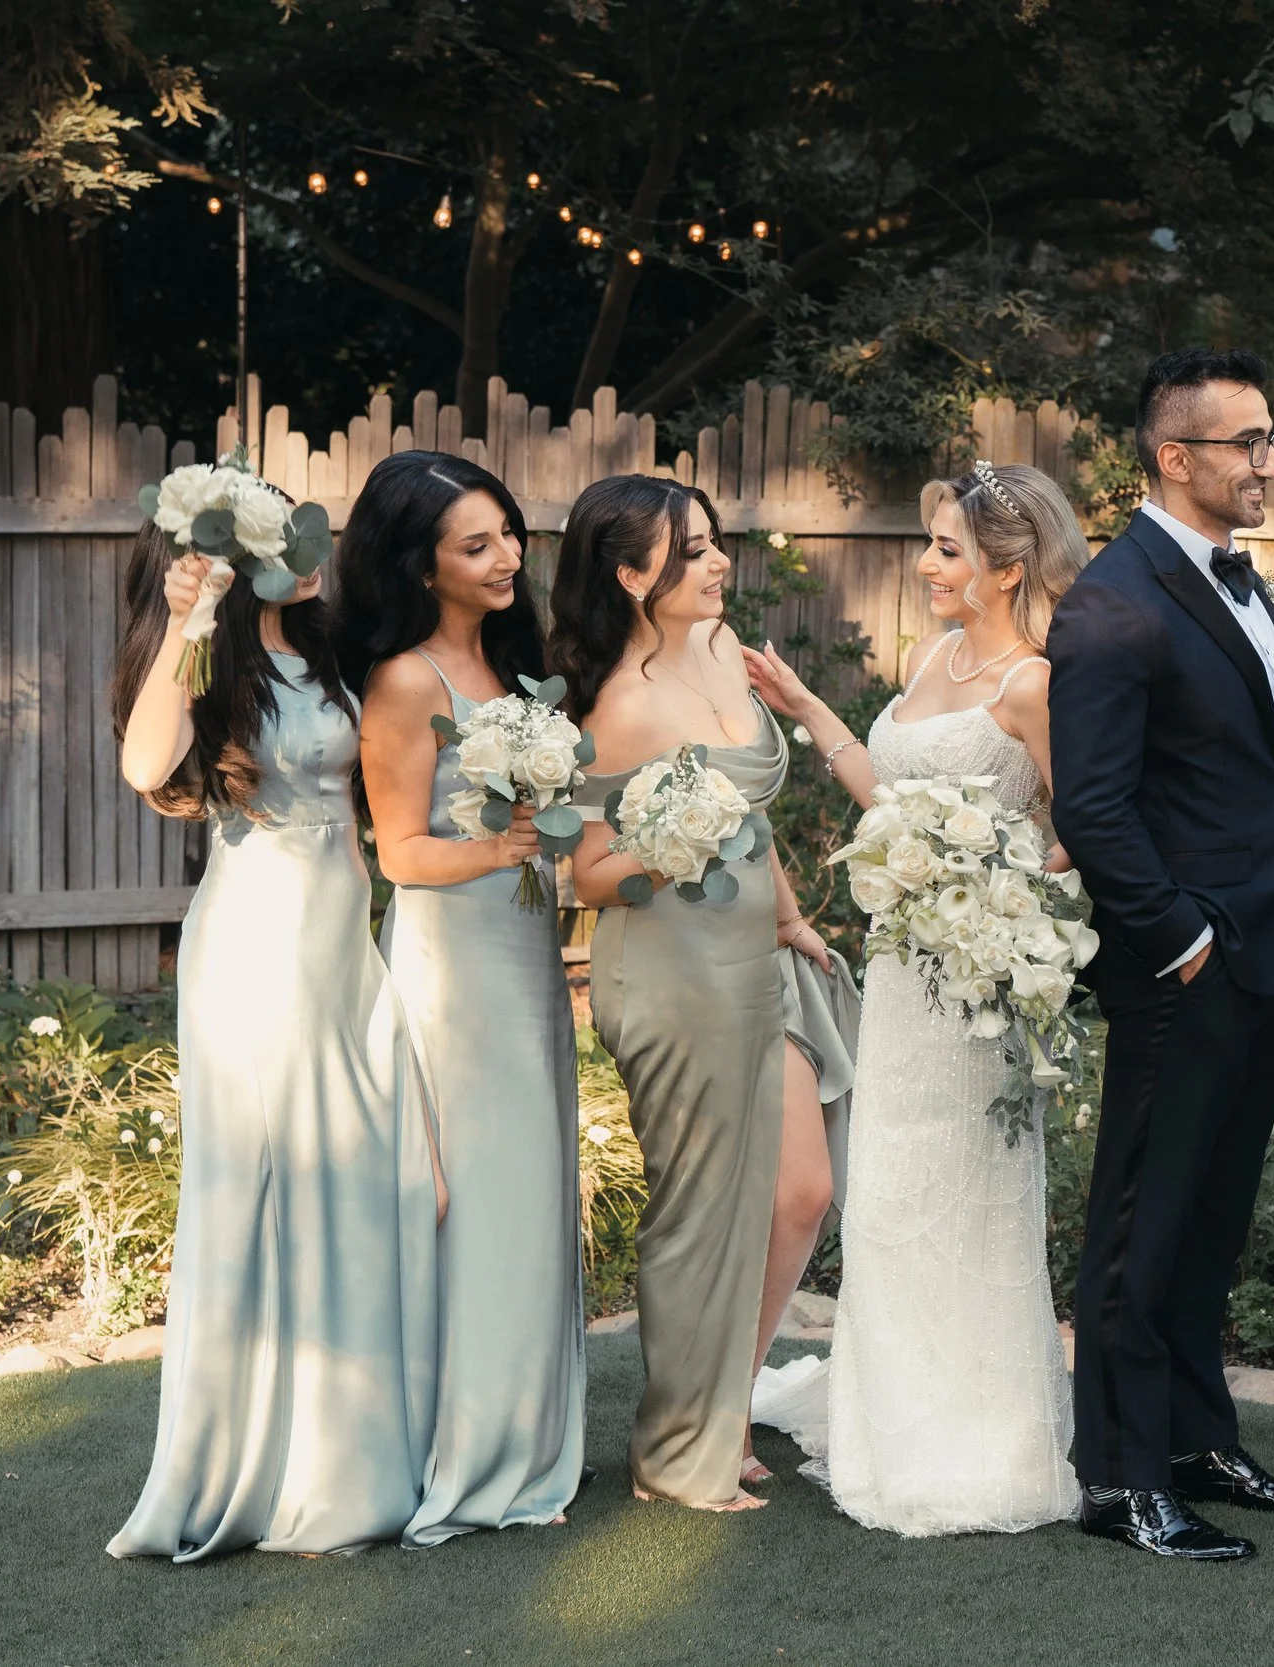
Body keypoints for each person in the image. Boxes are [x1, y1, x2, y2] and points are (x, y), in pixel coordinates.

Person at [1045, 349, 1274, 1564]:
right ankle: (1120, 1479)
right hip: (1187, 963)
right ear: (1175, 458)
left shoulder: (1237, 584)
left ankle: (1194, 1440)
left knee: (1210, 1217)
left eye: (1271, 437)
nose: (1268, 460)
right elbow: (1096, 805)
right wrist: (1179, 940)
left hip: (1267, 951)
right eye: (1247, 442)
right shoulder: (1114, 601)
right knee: (1141, 1219)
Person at [744, 459, 1088, 1536]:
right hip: (903, 971)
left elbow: (1076, 840)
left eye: (947, 547)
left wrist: (1006, 908)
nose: (927, 563)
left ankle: (975, 1439)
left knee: (969, 1199)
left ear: (1008, 563)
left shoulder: (1031, 682)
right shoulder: (934, 654)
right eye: (931, 542)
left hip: (980, 986)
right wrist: (804, 705)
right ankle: (885, 1413)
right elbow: (891, 794)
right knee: (884, 1197)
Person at [106, 503, 441, 1561]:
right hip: (252, 945)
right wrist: (190, 620)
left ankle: (343, 1459)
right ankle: (249, 1474)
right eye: (275, 548)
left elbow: (351, 822)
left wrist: (374, 956)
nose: (308, 557)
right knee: (261, 1189)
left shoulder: (330, 653)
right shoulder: (210, 667)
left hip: (340, 942)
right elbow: (143, 765)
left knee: (358, 1182)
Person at [548, 474, 833, 1514]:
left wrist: (792, 915)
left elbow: (748, 813)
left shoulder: (719, 646)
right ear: (631, 576)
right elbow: (583, 876)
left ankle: (726, 1402)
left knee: (800, 1186)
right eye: (694, 550)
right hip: (671, 969)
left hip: (758, 951)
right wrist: (665, 849)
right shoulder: (610, 707)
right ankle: (676, 1454)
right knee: (698, 1211)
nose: (719, 563)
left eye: (715, 543)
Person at [333, 451, 585, 1546]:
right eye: (474, 544)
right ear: (419, 563)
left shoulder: (512, 669)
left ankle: (529, 1437)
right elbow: (398, 855)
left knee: (532, 1188)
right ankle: (469, 1448)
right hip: (454, 961)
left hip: (524, 948)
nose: (506, 557)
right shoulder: (403, 683)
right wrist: (499, 848)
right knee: (480, 1196)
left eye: (508, 534)